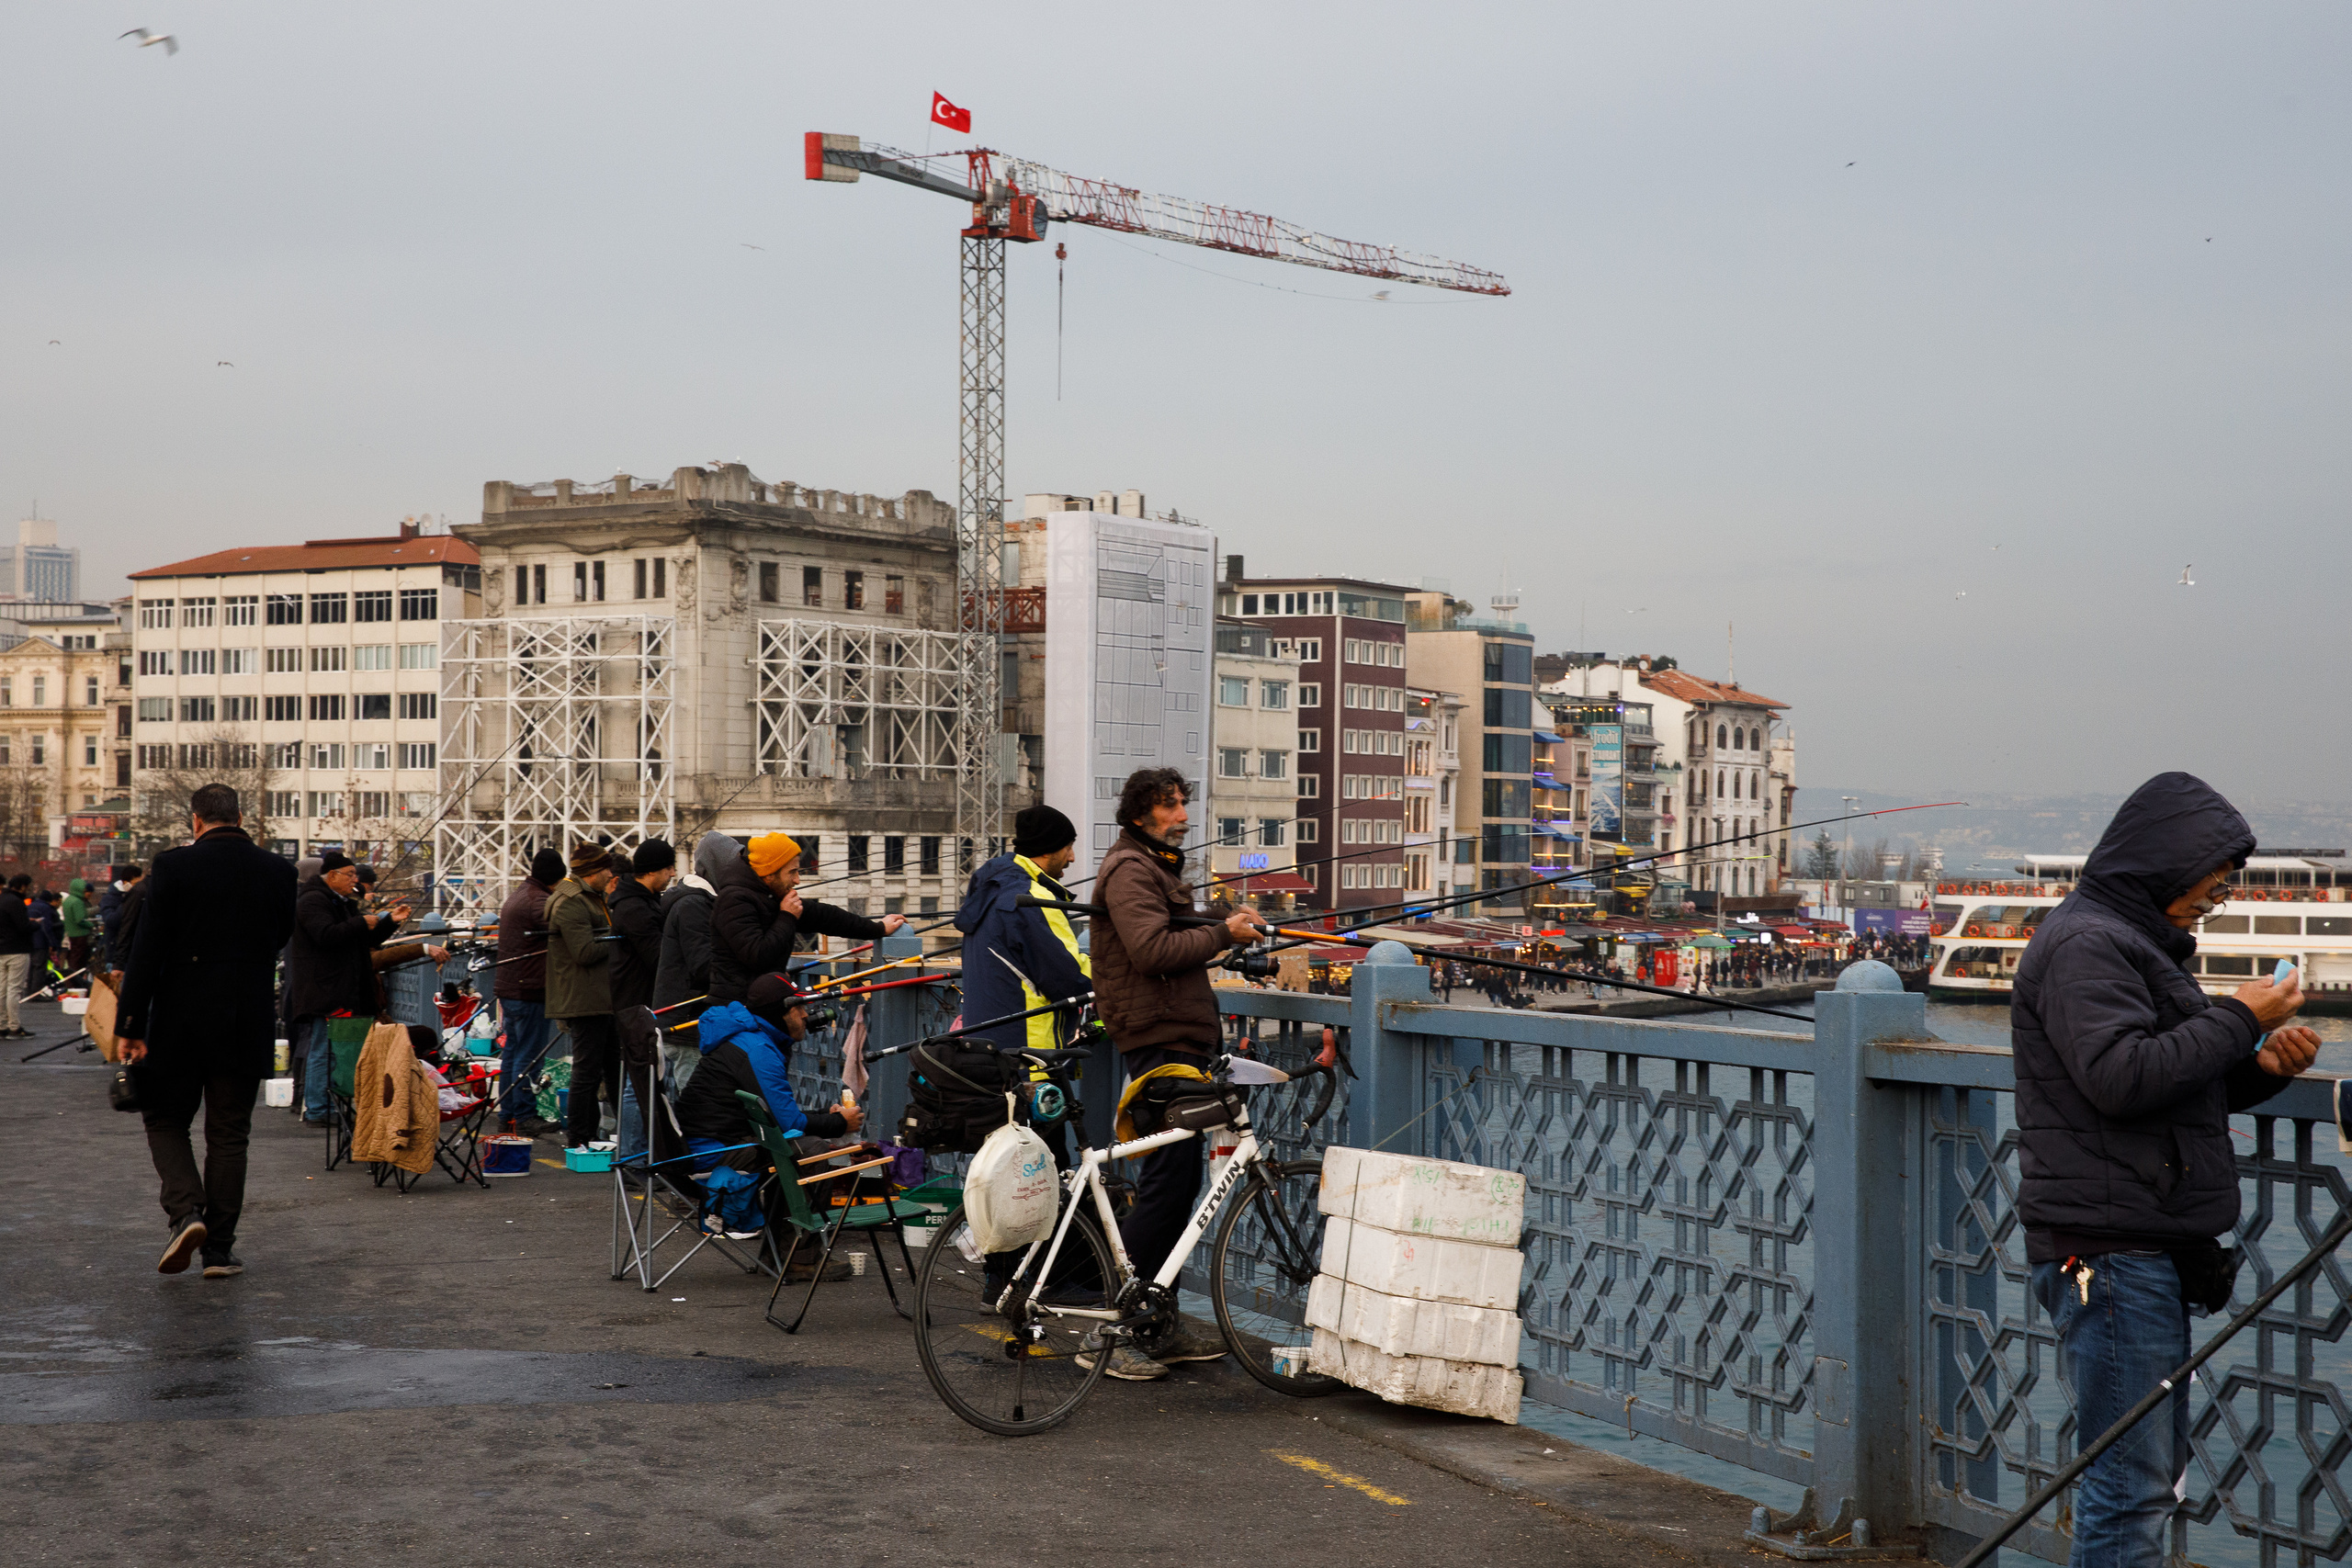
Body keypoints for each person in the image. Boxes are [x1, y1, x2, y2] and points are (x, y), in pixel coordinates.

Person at [2015, 772, 2320, 1566]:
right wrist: (2238, 1016)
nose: (2208, 902)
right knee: (2131, 1487)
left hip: (2134, 1244)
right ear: (2162, 867)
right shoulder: (2089, 943)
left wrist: (2264, 1067)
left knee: (2143, 1480)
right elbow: (2120, 1077)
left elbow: (2175, 1088)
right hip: (2112, 1255)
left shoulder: (2127, 941)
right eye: (2208, 888)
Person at [1086, 766, 1267, 1381]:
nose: (1183, 814)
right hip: (1159, 1038)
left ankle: (1155, 1319)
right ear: (1140, 814)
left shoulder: (1151, 866)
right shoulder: (1132, 869)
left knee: (1177, 1177)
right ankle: (1117, 1329)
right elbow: (1151, 950)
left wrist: (1223, 921)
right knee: (1166, 1180)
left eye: (1184, 802)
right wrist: (1221, 932)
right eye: (1170, 805)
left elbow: (1174, 929)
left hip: (1174, 1034)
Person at [114, 784, 298, 1277]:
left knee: (164, 1118)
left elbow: (147, 950)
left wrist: (129, 1023)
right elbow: (280, 935)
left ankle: (185, 1213)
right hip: (247, 1017)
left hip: (180, 1017)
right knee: (230, 1133)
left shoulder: (173, 866)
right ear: (241, 818)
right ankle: (219, 1251)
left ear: (195, 821)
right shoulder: (280, 871)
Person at [674, 972, 862, 1255]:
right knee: (811, 1152)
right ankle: (797, 1257)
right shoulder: (758, 1049)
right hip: (712, 1153)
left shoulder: (750, 1039)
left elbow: (778, 1118)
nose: (805, 1014)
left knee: (791, 1148)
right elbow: (787, 1124)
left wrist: (826, 1114)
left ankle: (779, 1253)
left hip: (707, 1144)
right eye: (798, 1008)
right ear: (779, 1013)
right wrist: (838, 1123)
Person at [706, 830, 901, 1006]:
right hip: (738, 1011)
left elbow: (827, 917)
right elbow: (757, 956)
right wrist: (787, 917)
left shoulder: (772, 896)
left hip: (762, 1005)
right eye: (792, 872)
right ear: (769, 873)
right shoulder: (735, 899)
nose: (797, 880)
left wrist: (878, 929)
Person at [285, 851, 407, 1125]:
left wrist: (389, 922)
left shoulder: (339, 901)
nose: (355, 879)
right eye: (350, 874)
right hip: (324, 988)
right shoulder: (312, 901)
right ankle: (316, 1108)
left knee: (332, 1049)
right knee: (322, 1048)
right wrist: (360, 922)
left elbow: (362, 939)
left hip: (338, 987)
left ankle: (326, 1105)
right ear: (333, 876)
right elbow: (326, 936)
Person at [546, 841, 621, 1149]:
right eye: (606, 869)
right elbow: (585, 951)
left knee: (612, 1069)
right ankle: (579, 1138)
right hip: (585, 1000)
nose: (610, 873)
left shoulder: (589, 896)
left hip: (598, 997)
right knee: (587, 1073)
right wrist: (619, 939)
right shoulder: (572, 902)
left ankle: (611, 1136)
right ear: (591, 872)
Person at [608, 839, 676, 1168]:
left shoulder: (642, 900)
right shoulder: (635, 907)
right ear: (655, 871)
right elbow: (657, 957)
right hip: (636, 1003)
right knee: (639, 1083)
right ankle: (634, 1160)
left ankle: (640, 1155)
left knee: (644, 1081)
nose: (673, 874)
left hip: (637, 1000)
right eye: (669, 869)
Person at [493, 849, 565, 1136]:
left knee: (513, 1053)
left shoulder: (522, 893)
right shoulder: (539, 902)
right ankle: (524, 1115)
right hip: (529, 990)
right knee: (528, 1056)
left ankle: (508, 1115)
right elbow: (567, 931)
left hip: (513, 989)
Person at [653, 830, 736, 1026]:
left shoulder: (702, 901)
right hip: (685, 1022)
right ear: (717, 867)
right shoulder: (693, 905)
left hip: (693, 1018)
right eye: (733, 867)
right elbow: (704, 965)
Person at [0, 872, 36, 1040]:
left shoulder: (1, 899)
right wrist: (35, 925)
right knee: (14, 989)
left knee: (1, 989)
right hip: (17, 950)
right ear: (22, 886)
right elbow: (23, 927)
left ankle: (1, 1024)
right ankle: (14, 1026)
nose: (28, 890)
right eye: (27, 887)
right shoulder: (16, 902)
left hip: (1, 950)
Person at [98, 863, 140, 972]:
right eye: (136, 884)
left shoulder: (141, 896)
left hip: (135, 954)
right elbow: (111, 921)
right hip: (116, 956)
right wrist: (129, 901)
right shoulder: (110, 899)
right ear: (126, 883)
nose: (139, 888)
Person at [61, 876, 93, 980]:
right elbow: (80, 920)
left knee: (72, 960)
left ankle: (70, 981)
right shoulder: (78, 902)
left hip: (71, 934)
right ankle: (76, 982)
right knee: (79, 961)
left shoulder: (68, 900)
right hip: (80, 935)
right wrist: (92, 925)